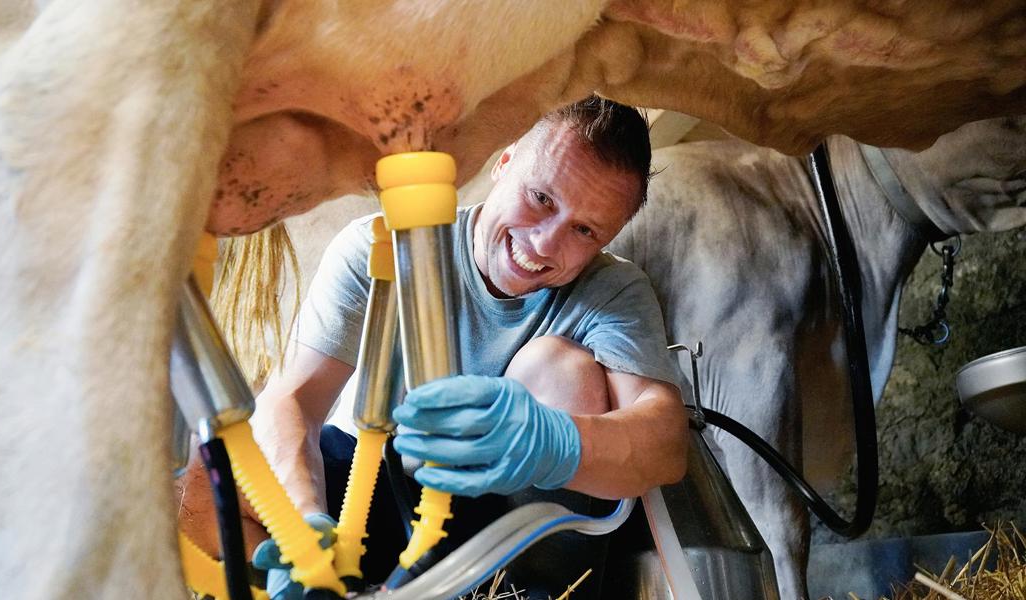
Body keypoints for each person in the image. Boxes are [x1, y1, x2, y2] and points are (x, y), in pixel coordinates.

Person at [179, 96, 688, 599]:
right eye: (541, 199)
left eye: (584, 230)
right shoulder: (378, 249)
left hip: (510, 522)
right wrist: (303, 521)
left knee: (560, 369)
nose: (544, 245)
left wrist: (554, 442)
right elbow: (296, 399)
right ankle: (316, 588)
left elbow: (664, 442)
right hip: (382, 486)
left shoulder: (615, 291)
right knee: (209, 479)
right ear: (504, 163)